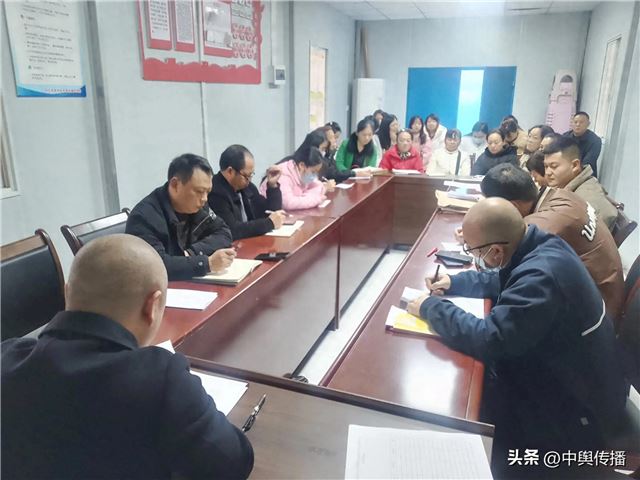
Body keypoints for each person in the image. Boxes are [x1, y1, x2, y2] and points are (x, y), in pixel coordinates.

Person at [1, 235, 254, 479]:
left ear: (67, 293)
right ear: (152, 306)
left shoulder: (7, 358)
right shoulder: (160, 377)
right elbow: (231, 464)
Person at [408, 198, 625, 478]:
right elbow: (507, 279)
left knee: (467, 400)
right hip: (570, 377)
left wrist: (432, 308)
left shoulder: (542, 276)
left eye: (472, 250)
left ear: (496, 251)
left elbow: (490, 340)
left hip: (574, 411)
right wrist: (456, 282)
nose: (472, 255)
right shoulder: (541, 245)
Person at [480, 163, 624, 321]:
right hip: (605, 293)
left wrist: (478, 240)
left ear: (512, 206)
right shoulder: (561, 194)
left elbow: (498, 267)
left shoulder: (540, 226)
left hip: (592, 314)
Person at [126, 154, 235, 281]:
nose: (205, 199)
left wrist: (192, 252)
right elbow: (155, 266)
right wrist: (207, 263)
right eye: (199, 191)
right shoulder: (144, 217)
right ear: (175, 184)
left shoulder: (197, 206)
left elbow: (223, 232)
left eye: (208, 192)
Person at [208, 145, 285, 240]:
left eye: (251, 175)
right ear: (230, 171)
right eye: (246, 176)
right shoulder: (215, 192)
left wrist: (272, 186)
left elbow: (270, 212)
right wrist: (268, 223)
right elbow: (231, 230)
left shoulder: (248, 187)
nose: (249, 180)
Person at [543, 135, 617, 230]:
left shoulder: (587, 197)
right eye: (546, 166)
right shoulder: (569, 187)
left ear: (575, 165)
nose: (548, 172)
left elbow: (604, 220)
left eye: (554, 166)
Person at [259, 146, 328, 210]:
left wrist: (306, 197)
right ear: (302, 165)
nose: (315, 176)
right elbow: (288, 203)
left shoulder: (302, 173)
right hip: (268, 214)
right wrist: (315, 199)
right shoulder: (283, 175)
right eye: (313, 172)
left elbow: (319, 187)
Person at [563, 111, 602, 177]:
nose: (578, 125)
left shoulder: (595, 140)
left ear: (588, 124)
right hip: (566, 172)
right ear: (572, 123)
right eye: (575, 122)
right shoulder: (565, 137)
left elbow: (588, 162)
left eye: (581, 122)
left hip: (586, 174)